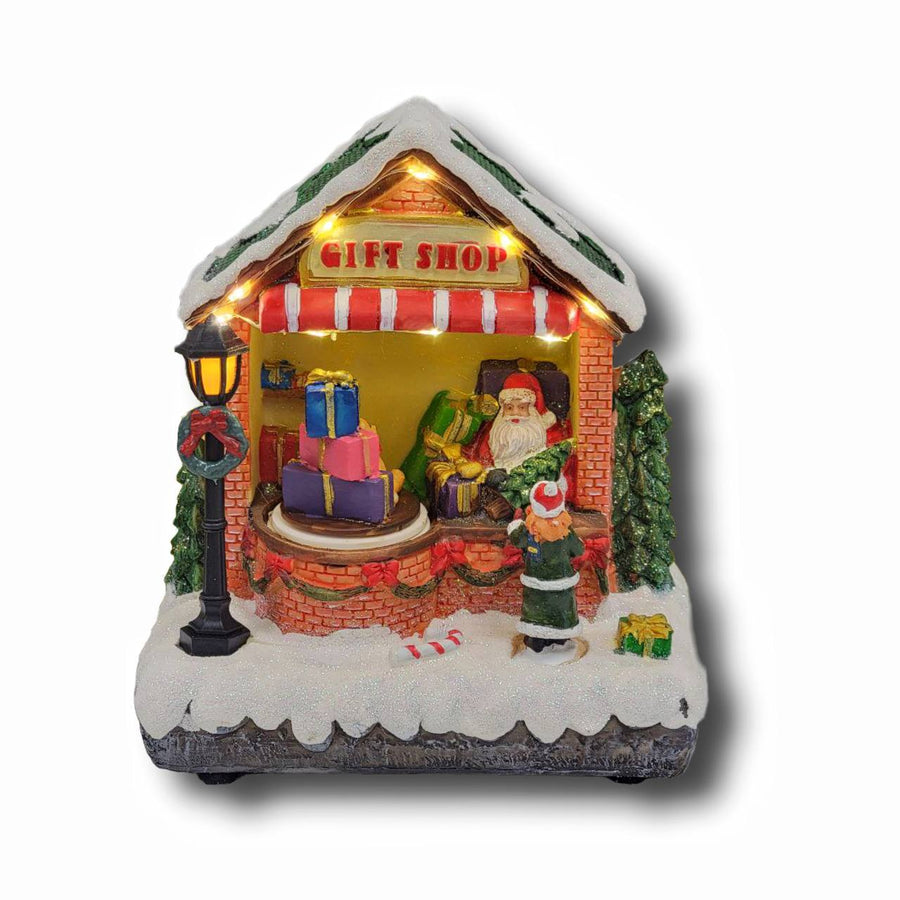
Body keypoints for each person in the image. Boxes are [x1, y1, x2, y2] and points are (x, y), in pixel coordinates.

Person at [507, 479, 585, 654]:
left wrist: (515, 527)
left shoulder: (531, 527)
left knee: (536, 611)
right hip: (561, 581)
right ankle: (561, 636)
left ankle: (536, 640)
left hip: (537, 580)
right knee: (561, 609)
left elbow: (518, 540)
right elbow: (578, 550)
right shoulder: (564, 529)